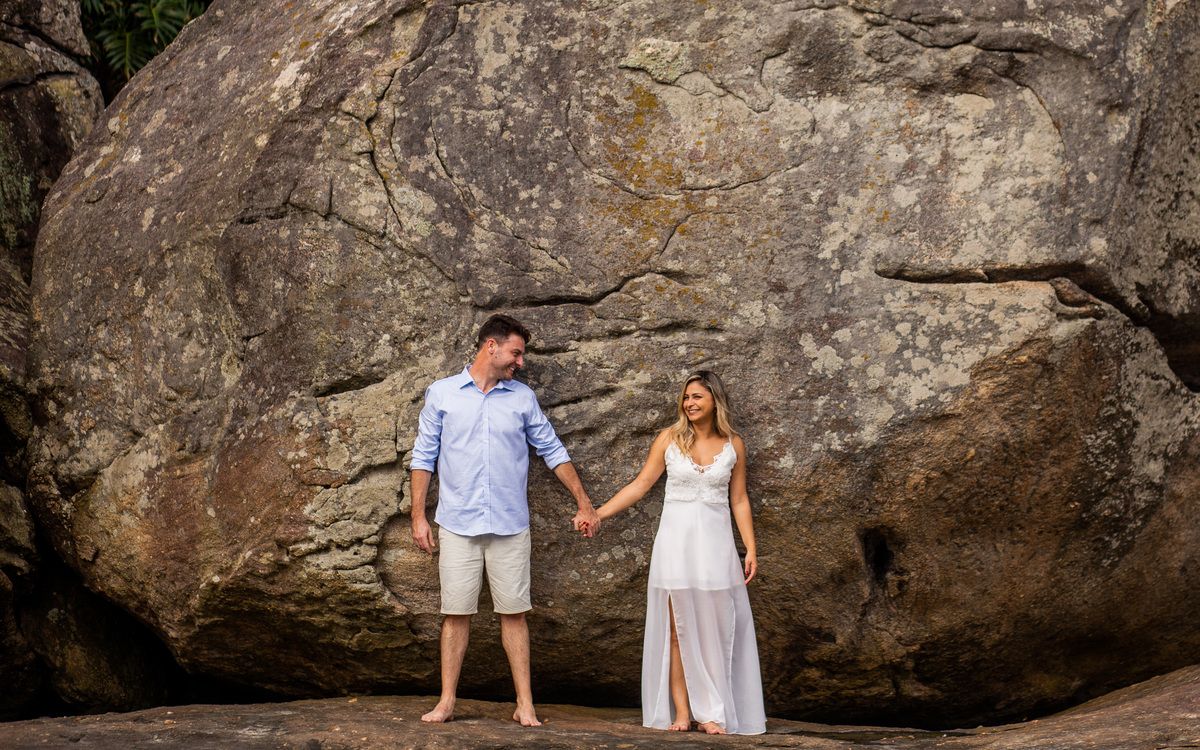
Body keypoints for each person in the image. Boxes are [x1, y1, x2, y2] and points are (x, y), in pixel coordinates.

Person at [410, 314, 601, 727]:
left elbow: (552, 449)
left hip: (510, 525)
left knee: (514, 613)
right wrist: (418, 517)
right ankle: (446, 702)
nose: (520, 362)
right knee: (455, 613)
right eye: (516, 352)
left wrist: (585, 504)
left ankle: (525, 703)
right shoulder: (442, 394)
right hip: (457, 523)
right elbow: (423, 457)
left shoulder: (521, 398)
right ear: (490, 347)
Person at [591, 370, 766, 735]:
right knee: (676, 630)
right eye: (687, 397)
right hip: (675, 545)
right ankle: (683, 713)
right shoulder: (669, 439)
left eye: (698, 397)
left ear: (714, 400)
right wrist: (598, 513)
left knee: (717, 629)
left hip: (716, 548)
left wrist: (750, 548)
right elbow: (641, 485)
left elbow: (739, 498)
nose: (690, 403)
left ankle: (712, 712)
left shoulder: (734, 444)